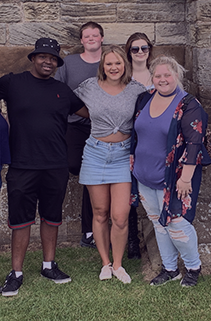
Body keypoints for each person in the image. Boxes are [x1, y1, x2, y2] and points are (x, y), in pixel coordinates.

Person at [0, 38, 88, 297]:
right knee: (20, 220)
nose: (48, 62)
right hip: (23, 164)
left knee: (52, 217)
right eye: (43, 57)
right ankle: (15, 273)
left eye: (53, 59)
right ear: (33, 58)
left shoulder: (62, 91)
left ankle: (49, 265)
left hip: (55, 165)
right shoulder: (12, 83)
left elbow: (90, 113)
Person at [130, 56, 211, 287]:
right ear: (152, 78)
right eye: (158, 75)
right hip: (145, 176)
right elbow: (136, 133)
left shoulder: (188, 104)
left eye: (168, 74)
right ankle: (170, 268)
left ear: (177, 76)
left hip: (176, 179)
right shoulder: (144, 99)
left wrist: (186, 178)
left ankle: (193, 267)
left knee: (177, 224)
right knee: (158, 222)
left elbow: (194, 143)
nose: (163, 79)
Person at [74, 45, 146, 284]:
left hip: (124, 155)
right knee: (100, 212)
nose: (114, 68)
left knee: (120, 216)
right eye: (109, 64)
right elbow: (71, 105)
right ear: (102, 66)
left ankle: (118, 264)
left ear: (124, 65)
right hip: (95, 153)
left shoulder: (136, 90)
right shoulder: (89, 87)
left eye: (118, 63)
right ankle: (105, 263)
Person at [55, 21, 104, 249]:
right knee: (77, 166)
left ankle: (90, 231)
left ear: (101, 38)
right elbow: (56, 90)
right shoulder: (70, 63)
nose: (91, 38)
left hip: (103, 127)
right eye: (87, 35)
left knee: (92, 175)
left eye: (95, 34)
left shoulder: (110, 61)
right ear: (82, 40)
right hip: (75, 125)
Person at [124, 32, 154, 259]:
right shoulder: (124, 78)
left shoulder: (158, 76)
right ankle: (132, 241)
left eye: (144, 48)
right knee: (129, 190)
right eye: (135, 49)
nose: (140, 52)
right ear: (129, 52)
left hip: (153, 139)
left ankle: (157, 241)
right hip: (129, 139)